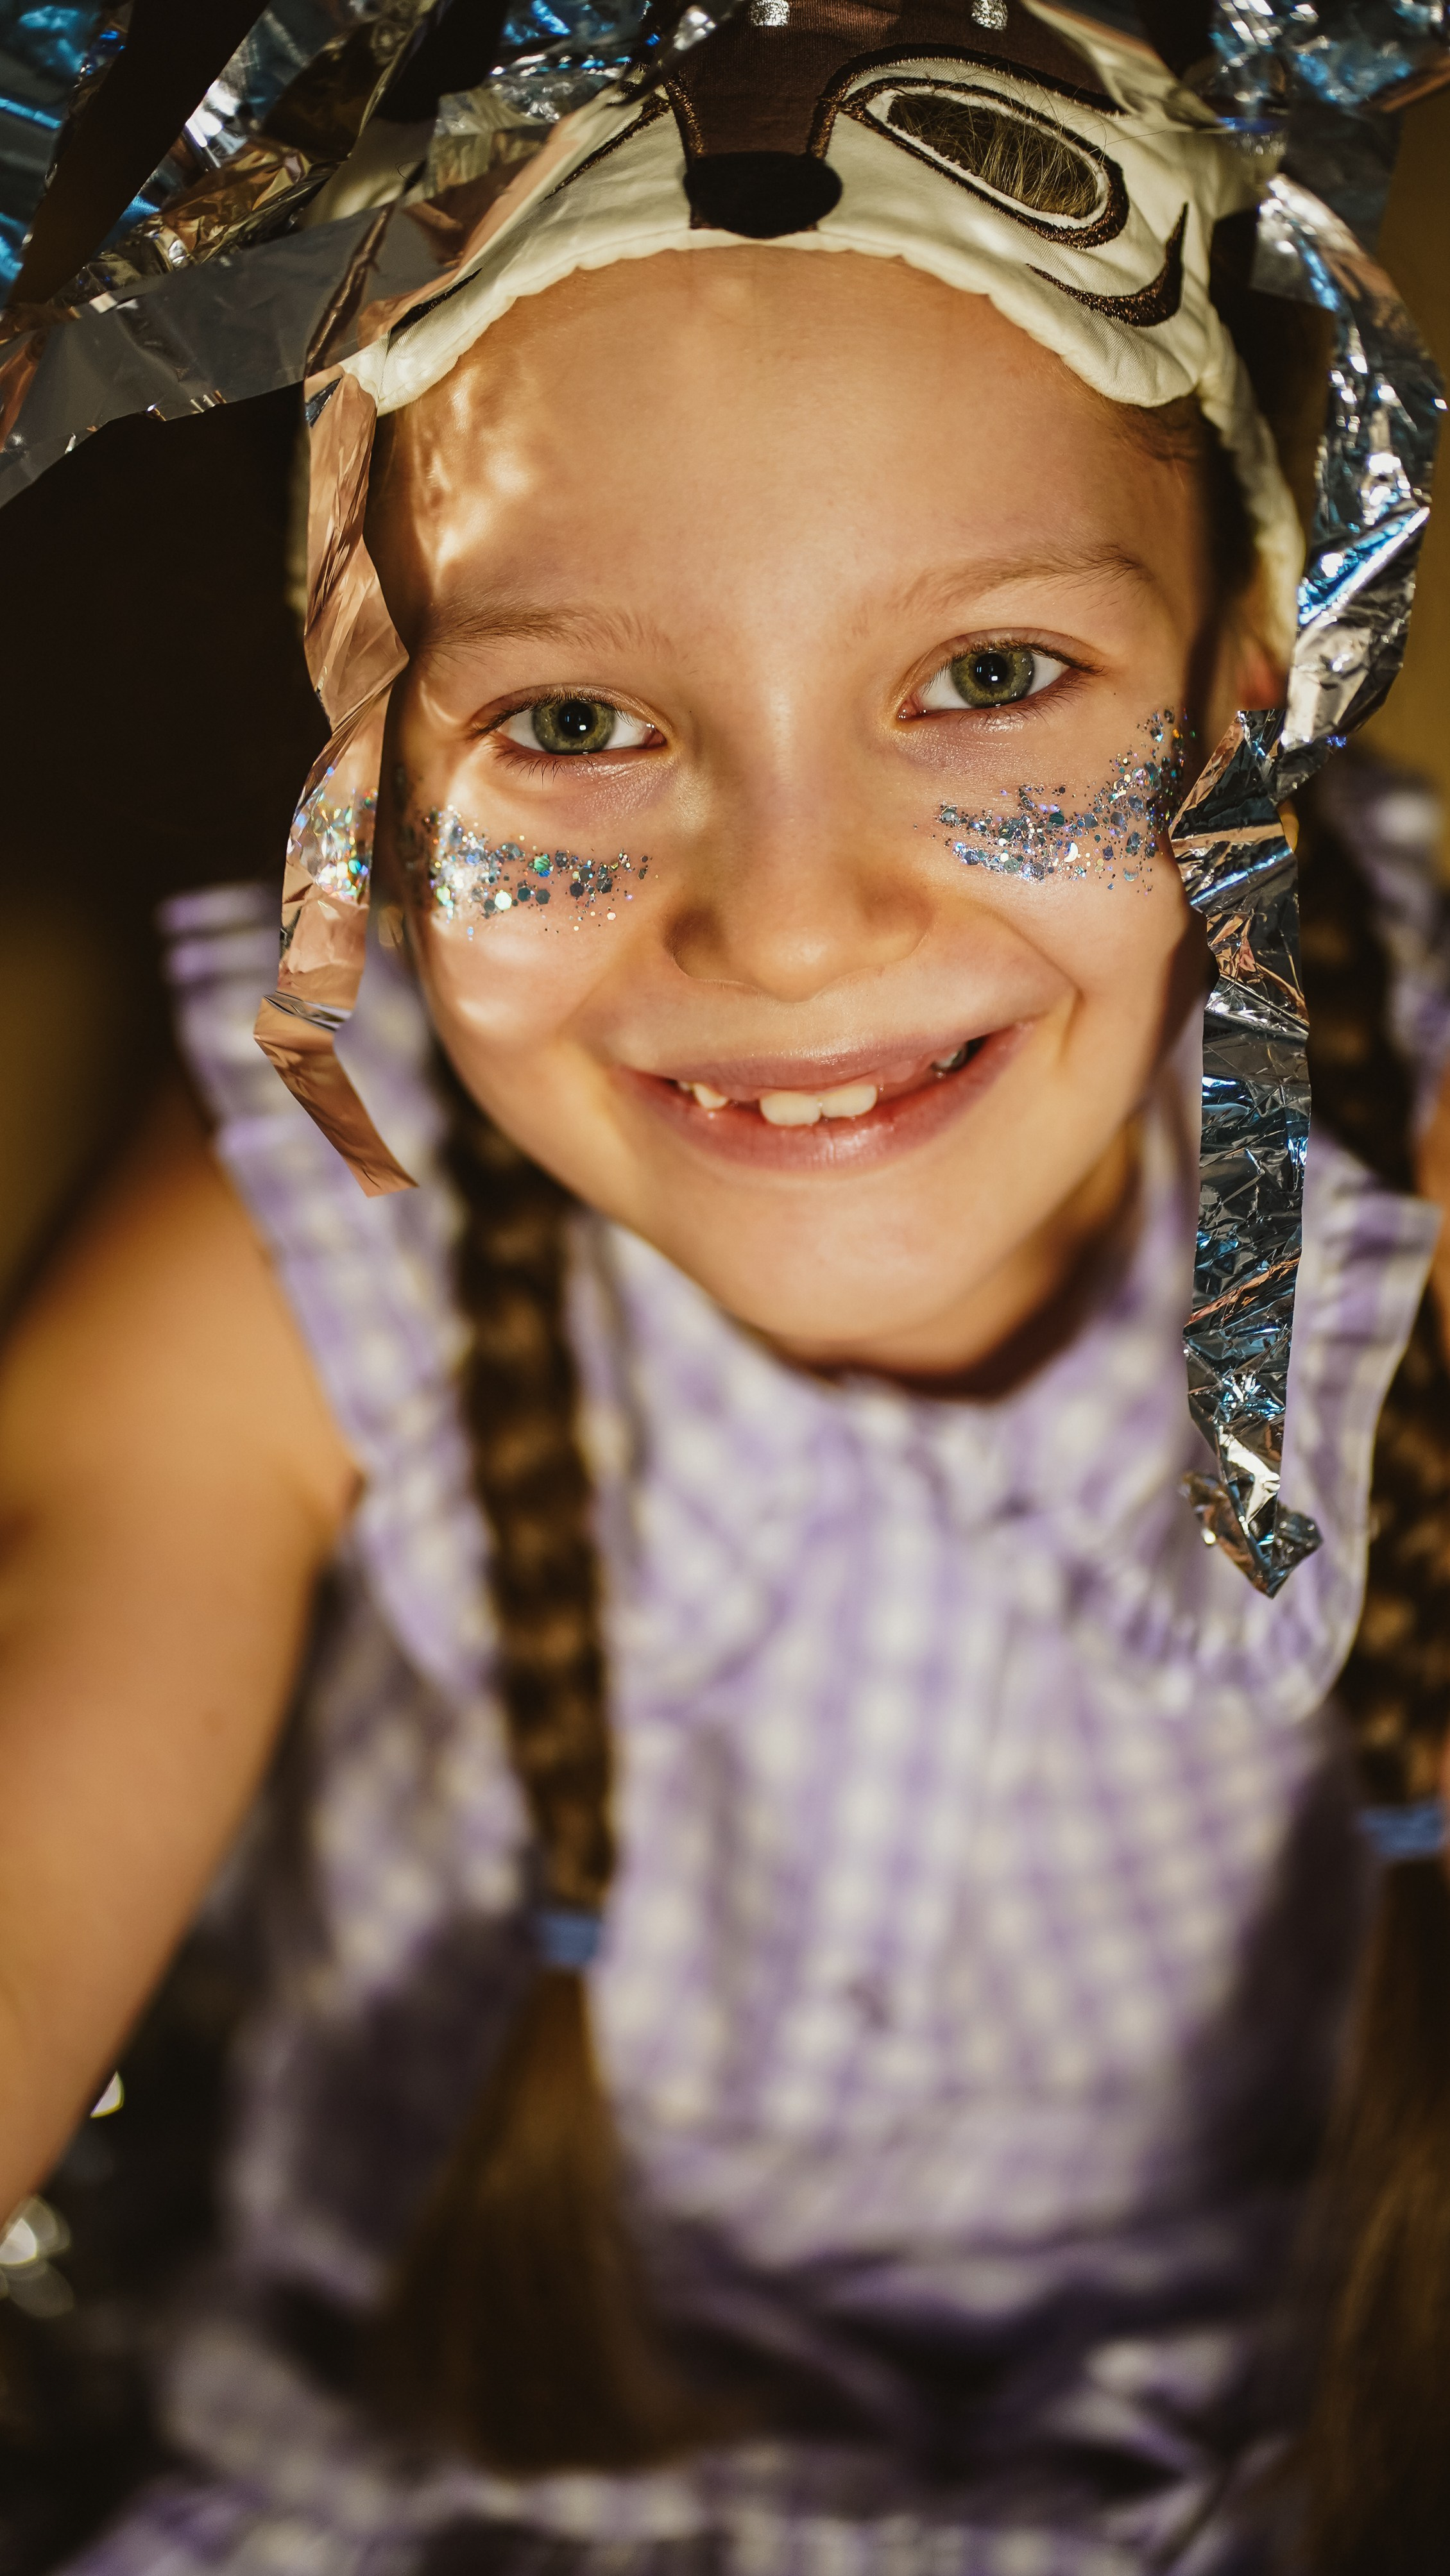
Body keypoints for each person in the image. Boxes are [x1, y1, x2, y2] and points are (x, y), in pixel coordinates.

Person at [0, 3, 1447, 2568]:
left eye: (990, 676)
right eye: (570, 715)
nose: (786, 925)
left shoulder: (1397, 1158)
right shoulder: (313, 1197)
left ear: (1239, 703)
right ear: (372, 764)